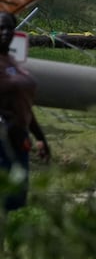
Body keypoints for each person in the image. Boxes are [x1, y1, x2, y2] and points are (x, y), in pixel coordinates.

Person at [0, 12, 49, 212]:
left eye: (9, 28)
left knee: (13, 202)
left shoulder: (11, 62)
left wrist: (39, 137)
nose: (5, 32)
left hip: (19, 140)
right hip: (3, 142)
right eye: (1, 27)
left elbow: (24, 105)